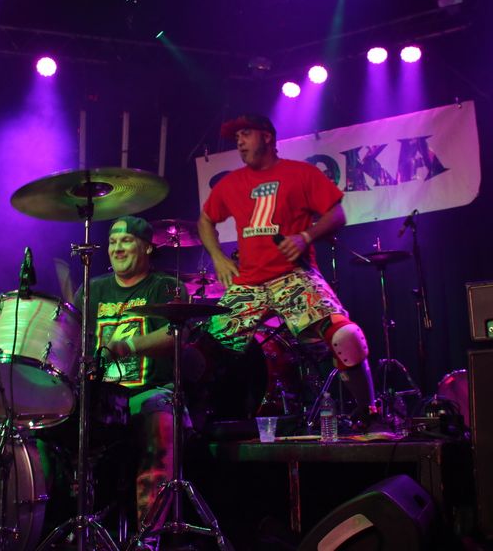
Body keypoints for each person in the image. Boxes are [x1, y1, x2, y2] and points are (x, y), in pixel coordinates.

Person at [196, 114, 377, 428]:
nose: (239, 142)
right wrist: (218, 257)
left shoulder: (300, 173)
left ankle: (370, 413)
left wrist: (306, 236)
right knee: (198, 353)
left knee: (346, 337)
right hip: (249, 284)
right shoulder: (231, 183)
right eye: (236, 137)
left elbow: (337, 214)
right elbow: (205, 220)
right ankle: (198, 427)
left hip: (293, 276)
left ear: (267, 137)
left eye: (246, 134)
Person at [72, 215, 183, 527]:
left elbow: (175, 333)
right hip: (101, 396)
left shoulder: (165, 286)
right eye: (112, 242)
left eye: (126, 240)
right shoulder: (90, 290)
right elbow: (69, 338)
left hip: (149, 391)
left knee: (160, 421)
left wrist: (128, 346)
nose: (117, 248)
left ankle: (148, 537)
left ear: (147, 247)